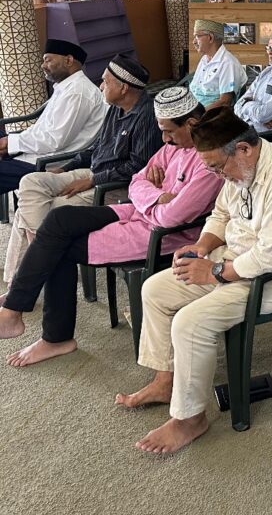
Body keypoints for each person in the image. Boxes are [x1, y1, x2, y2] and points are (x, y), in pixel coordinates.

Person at [115, 106, 272, 454]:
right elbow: (222, 213)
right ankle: (166, 379)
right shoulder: (239, 167)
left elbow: (270, 258)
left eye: (217, 167)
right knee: (153, 289)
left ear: (243, 149)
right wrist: (202, 247)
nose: (216, 175)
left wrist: (214, 272)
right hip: (234, 261)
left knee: (190, 322)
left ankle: (190, 418)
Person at [0, 87, 221, 367]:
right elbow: (137, 181)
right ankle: (15, 310)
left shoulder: (209, 162)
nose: (164, 139)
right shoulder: (173, 148)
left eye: (169, 132)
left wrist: (152, 197)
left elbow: (171, 218)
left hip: (164, 236)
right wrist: (157, 195)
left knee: (59, 247)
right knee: (59, 219)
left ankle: (53, 337)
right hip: (138, 213)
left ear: (190, 123)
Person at [3, 55, 163, 284]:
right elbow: (96, 148)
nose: (101, 86)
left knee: (38, 212)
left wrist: (93, 180)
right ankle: (44, 260)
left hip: (114, 188)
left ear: (124, 88)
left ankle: (22, 281)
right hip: (93, 173)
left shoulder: (147, 117)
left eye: (105, 81)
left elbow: (138, 168)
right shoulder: (116, 109)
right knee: (31, 182)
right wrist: (66, 168)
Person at [0, 39, 104, 195]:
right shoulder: (66, 87)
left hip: (47, 163)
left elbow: (55, 140)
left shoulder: (78, 93)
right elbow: (42, 130)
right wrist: (10, 143)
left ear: (68, 60)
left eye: (48, 60)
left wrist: (11, 143)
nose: (43, 65)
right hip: (36, 152)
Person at [188, 19, 247, 110]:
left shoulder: (227, 63)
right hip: (194, 107)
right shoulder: (205, 58)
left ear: (210, 38)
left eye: (197, 36)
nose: (194, 42)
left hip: (208, 114)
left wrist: (198, 114)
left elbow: (225, 102)